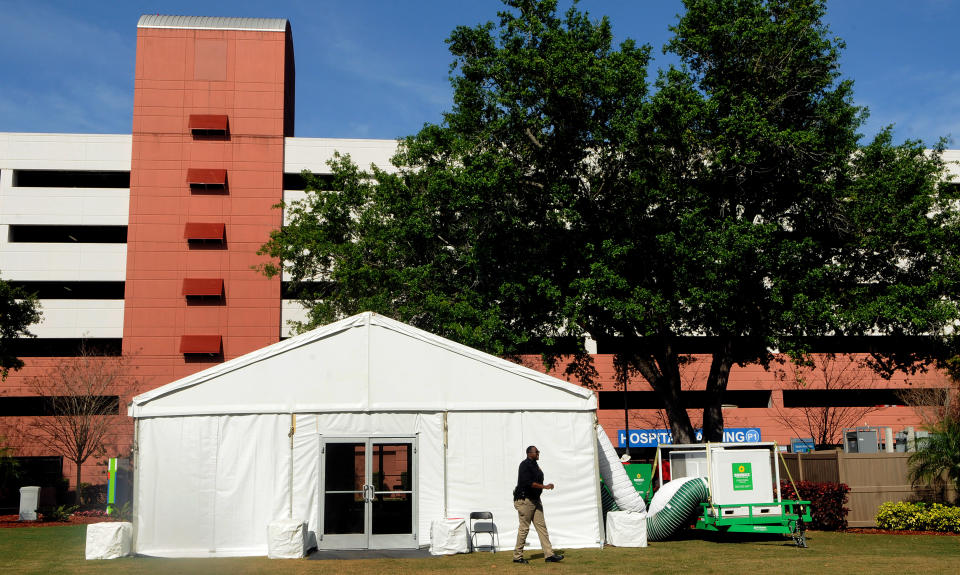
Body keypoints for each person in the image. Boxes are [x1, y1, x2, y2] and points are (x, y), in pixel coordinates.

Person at [512, 445, 564, 563]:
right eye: (537, 452)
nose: (538, 453)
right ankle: (517, 556)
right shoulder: (524, 465)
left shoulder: (535, 465)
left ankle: (549, 555)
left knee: (542, 527)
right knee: (524, 528)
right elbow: (528, 483)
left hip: (535, 500)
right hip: (525, 500)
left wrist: (544, 486)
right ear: (530, 453)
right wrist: (545, 486)